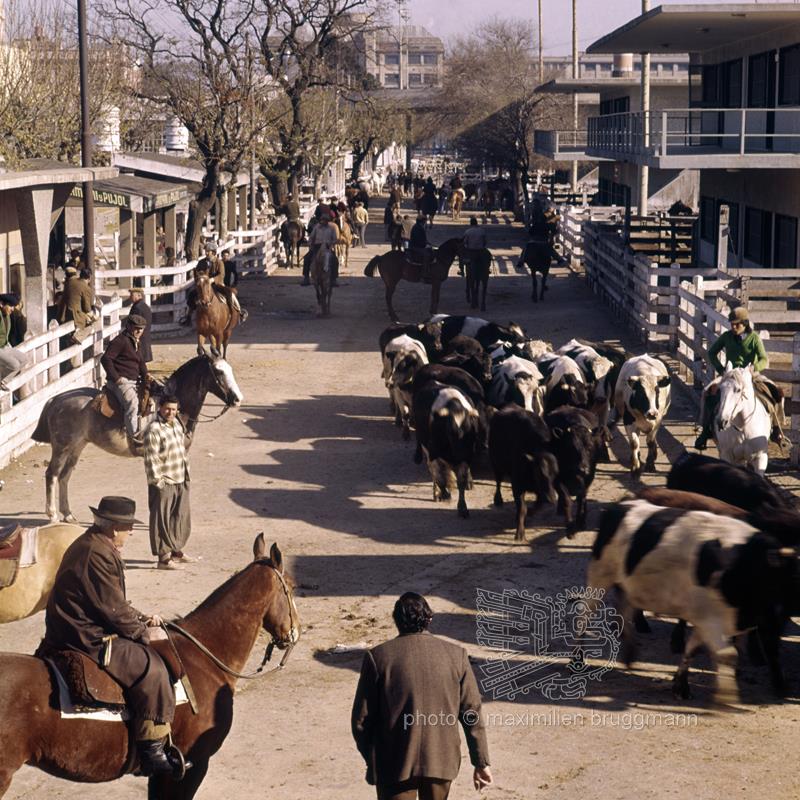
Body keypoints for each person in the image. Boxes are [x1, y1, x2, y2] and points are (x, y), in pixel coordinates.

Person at [41, 495, 185, 778]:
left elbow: (111, 602)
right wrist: (143, 633)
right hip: (85, 635)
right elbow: (113, 610)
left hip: (81, 623)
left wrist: (141, 617)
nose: (131, 532)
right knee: (153, 668)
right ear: (113, 528)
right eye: (128, 526)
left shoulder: (94, 544)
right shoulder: (97, 554)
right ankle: (152, 751)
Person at [352, 593, 492, 800]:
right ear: (429, 619)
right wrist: (481, 762)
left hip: (393, 764)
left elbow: (361, 721)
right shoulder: (457, 656)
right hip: (440, 761)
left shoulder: (378, 657)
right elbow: (472, 713)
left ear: (396, 621)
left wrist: (374, 757)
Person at [694, 306, 786, 449]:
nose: (734, 326)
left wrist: (754, 368)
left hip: (751, 375)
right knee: (707, 393)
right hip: (730, 375)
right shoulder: (726, 336)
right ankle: (705, 431)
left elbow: (764, 359)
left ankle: (777, 430)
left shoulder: (754, 338)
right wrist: (721, 369)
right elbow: (712, 353)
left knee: (776, 392)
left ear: (745, 323)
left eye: (737, 324)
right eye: (732, 324)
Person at [144, 395, 192, 571]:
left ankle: (175, 551)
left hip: (180, 476)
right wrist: (158, 482)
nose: (170, 412)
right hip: (164, 481)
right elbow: (151, 459)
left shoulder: (177, 424)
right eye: (167, 409)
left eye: (173, 409)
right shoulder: (154, 430)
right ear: (160, 407)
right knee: (161, 520)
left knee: (179, 517)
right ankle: (163, 559)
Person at [100, 314, 149, 450]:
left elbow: (140, 362)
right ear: (129, 327)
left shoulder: (137, 342)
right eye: (137, 328)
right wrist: (116, 378)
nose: (139, 331)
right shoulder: (120, 341)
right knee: (133, 403)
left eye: (142, 329)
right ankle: (134, 437)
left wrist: (147, 375)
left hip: (133, 380)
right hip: (120, 382)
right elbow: (105, 359)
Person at [301, 212, 339, 286]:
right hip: (317, 246)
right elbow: (311, 237)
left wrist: (332, 244)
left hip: (327, 246)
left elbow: (335, 239)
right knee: (307, 258)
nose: (323, 222)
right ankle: (306, 277)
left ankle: (334, 279)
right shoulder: (317, 227)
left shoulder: (331, 228)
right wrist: (310, 244)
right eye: (322, 220)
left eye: (325, 220)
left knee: (335, 260)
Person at [0, 293, 29, 390]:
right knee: (14, 365)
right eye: (11, 306)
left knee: (24, 359)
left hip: (3, 346)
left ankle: (2, 381)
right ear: (1, 304)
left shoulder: (7, 315)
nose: (13, 309)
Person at [128, 287, 153, 364]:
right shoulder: (143, 306)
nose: (130, 297)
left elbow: (135, 323)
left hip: (139, 336)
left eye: (132, 295)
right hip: (144, 336)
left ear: (139, 295)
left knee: (139, 359)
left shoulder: (138, 307)